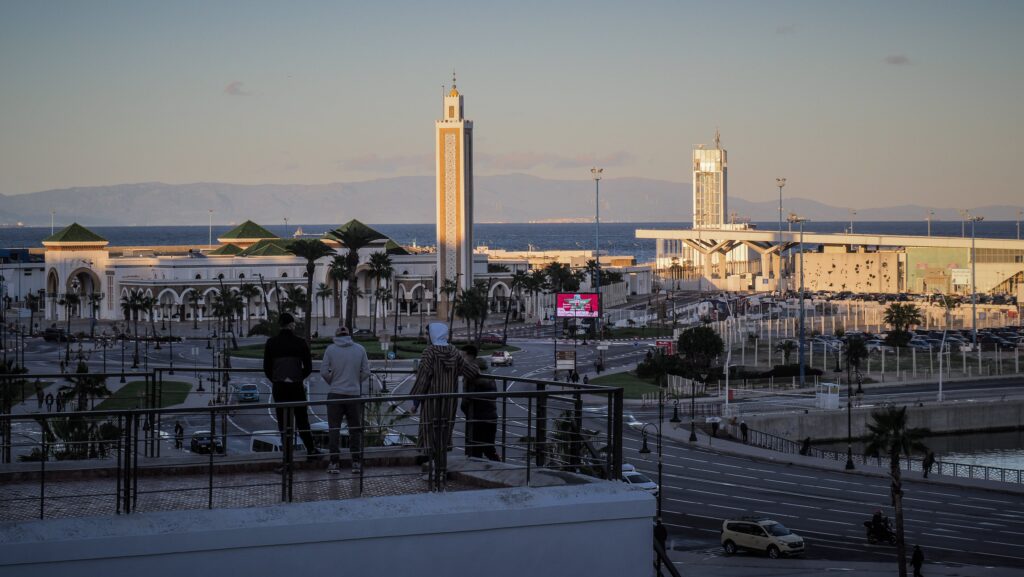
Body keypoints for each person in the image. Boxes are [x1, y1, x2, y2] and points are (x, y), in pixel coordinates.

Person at [411, 322, 479, 476]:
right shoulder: (454, 351)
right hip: (449, 401)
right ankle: (441, 469)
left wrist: (415, 399)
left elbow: (423, 379)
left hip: (432, 401)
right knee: (444, 432)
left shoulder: (429, 352)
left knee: (429, 432)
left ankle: (432, 473)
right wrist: (477, 367)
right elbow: (469, 371)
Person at [263, 312, 320, 463]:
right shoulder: (300, 343)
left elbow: (267, 368)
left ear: (280, 325)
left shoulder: (271, 343)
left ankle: (287, 455)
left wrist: (277, 380)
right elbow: (308, 367)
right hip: (296, 386)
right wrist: (297, 377)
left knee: (283, 422)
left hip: (279, 387)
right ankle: (311, 449)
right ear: (291, 325)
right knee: (302, 419)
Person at [320, 326, 370, 474]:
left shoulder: (330, 349)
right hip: (353, 394)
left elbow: (323, 371)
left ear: (336, 335)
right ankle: (356, 462)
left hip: (335, 393)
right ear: (349, 335)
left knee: (334, 429)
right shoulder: (360, 349)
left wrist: (333, 382)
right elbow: (366, 371)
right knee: (355, 429)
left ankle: (334, 463)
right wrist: (355, 381)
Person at [460, 344, 500, 461]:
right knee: (483, 448)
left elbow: (468, 397)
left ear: (469, 356)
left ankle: (494, 470)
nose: (461, 359)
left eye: (463, 356)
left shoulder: (476, 372)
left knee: (479, 449)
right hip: (482, 415)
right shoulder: (481, 370)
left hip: (480, 416)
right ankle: (494, 469)